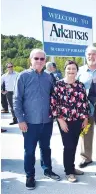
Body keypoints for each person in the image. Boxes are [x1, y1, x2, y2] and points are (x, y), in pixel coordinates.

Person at [13, 49, 60, 190]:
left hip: (46, 121)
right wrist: (20, 120)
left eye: (42, 59)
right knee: (29, 150)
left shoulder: (49, 77)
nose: (39, 61)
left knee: (46, 148)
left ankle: (47, 169)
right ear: (31, 59)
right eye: (36, 58)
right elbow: (16, 100)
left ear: (45, 61)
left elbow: (55, 96)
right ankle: (30, 175)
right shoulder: (23, 77)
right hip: (29, 122)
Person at [50, 60, 89, 182]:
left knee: (74, 144)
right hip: (64, 120)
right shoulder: (58, 85)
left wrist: (86, 118)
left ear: (77, 71)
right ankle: (69, 172)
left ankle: (72, 167)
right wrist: (60, 120)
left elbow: (84, 103)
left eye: (73, 69)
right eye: (69, 69)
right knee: (68, 146)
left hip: (78, 120)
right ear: (65, 69)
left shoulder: (80, 85)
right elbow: (53, 104)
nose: (71, 71)